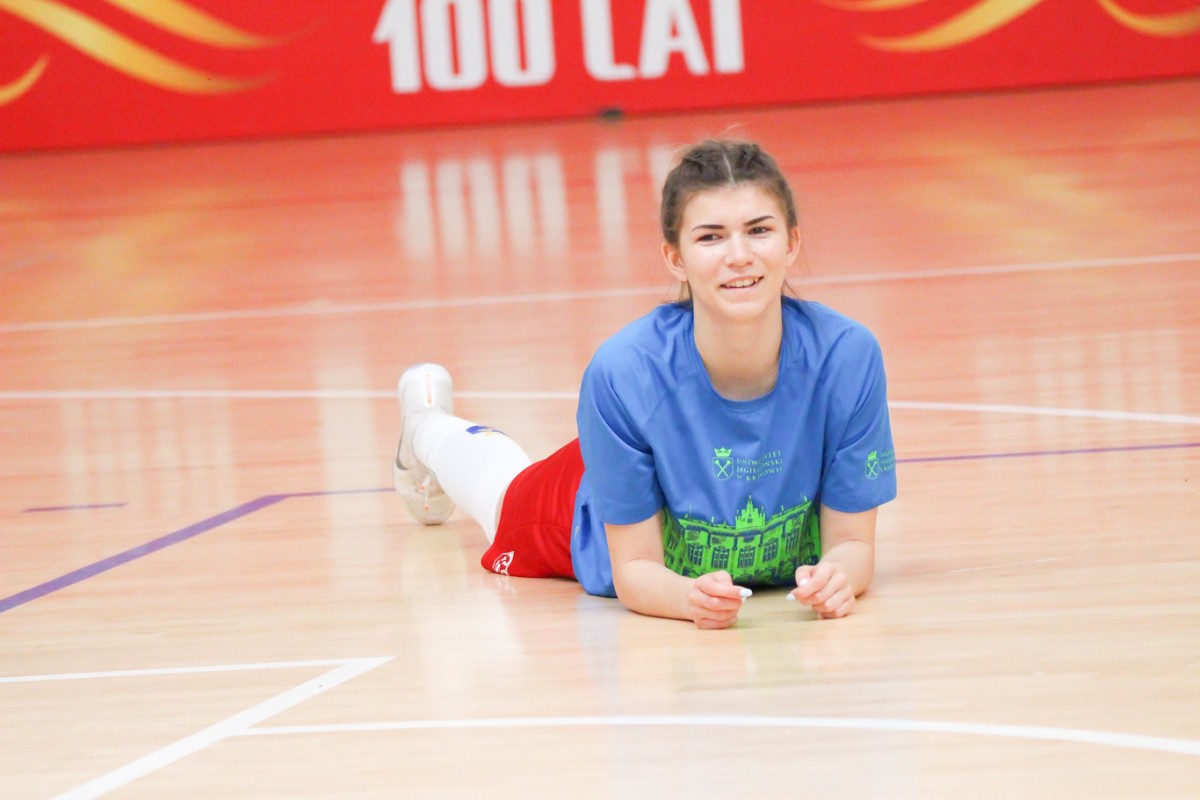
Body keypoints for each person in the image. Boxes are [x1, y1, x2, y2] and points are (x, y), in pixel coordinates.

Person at [393, 139, 897, 630]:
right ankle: (425, 426)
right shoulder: (624, 373)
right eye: (711, 237)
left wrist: (838, 578)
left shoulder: (847, 358)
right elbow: (634, 570)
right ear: (675, 258)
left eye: (759, 230)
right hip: (587, 514)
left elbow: (853, 544)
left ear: (792, 242)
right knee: (502, 494)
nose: (739, 254)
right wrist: (687, 598)